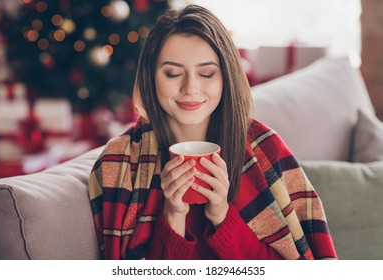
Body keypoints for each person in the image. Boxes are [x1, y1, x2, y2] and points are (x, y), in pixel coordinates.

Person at [88, 4, 337, 260]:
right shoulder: (121, 162)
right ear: (151, 77)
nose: (191, 88)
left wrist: (221, 215)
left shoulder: (265, 149)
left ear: (225, 77)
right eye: (173, 73)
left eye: (206, 73)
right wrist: (173, 214)